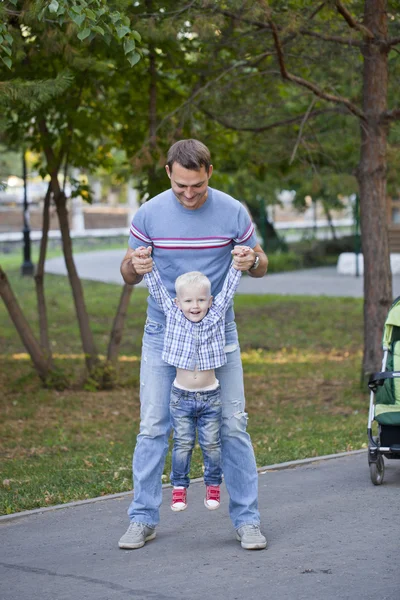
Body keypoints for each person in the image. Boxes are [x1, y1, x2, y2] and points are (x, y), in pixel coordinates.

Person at [119, 139, 268, 551]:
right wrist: (135, 264)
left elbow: (260, 262)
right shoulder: (149, 212)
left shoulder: (232, 210)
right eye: (181, 185)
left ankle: (247, 521)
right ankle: (142, 518)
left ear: (210, 173)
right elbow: (127, 272)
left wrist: (251, 261)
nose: (189, 194)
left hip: (220, 335)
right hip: (162, 334)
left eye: (197, 186)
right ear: (168, 171)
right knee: (153, 426)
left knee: (234, 425)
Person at [137, 245, 249, 512]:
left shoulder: (215, 316)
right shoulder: (173, 315)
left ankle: (212, 483)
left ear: (210, 301)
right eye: (188, 301)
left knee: (212, 444)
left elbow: (230, 288)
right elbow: (156, 289)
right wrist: (146, 262)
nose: (195, 306)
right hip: (181, 398)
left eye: (201, 300)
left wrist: (237, 263)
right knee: (183, 445)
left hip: (211, 396)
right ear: (178, 303)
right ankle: (179, 488)